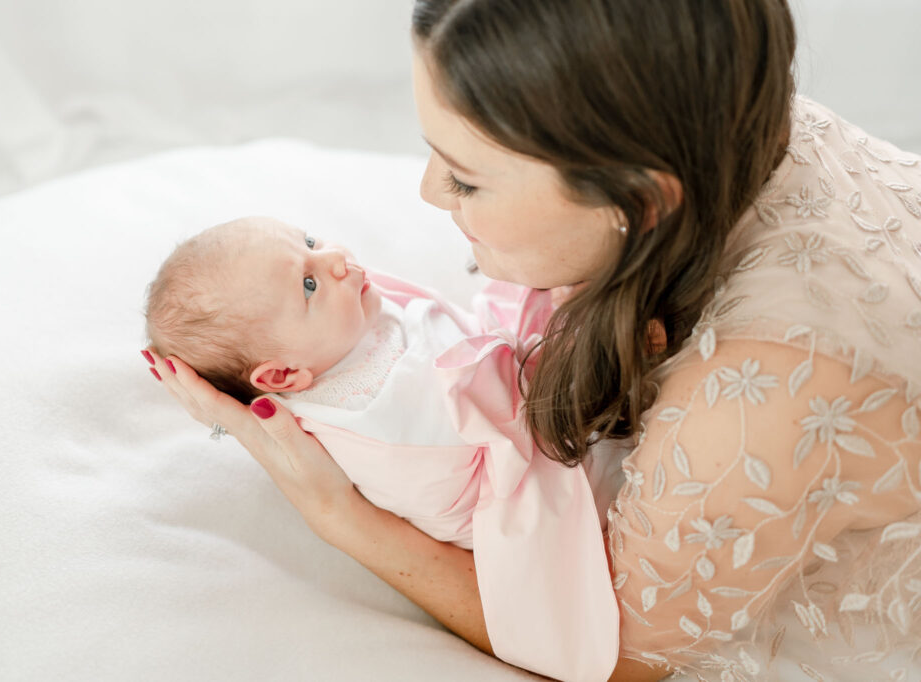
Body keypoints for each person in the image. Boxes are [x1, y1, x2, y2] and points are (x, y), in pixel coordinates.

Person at [144, 0, 921, 679]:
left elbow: (610, 653)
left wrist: (338, 514)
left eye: (467, 178)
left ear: (639, 199)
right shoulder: (716, 98)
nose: (426, 190)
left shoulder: (760, 400)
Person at [144, 215, 627, 679]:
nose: (336, 259)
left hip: (520, 399)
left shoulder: (340, 330)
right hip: (527, 479)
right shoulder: (365, 419)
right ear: (283, 376)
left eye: (310, 241)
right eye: (309, 284)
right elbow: (464, 460)